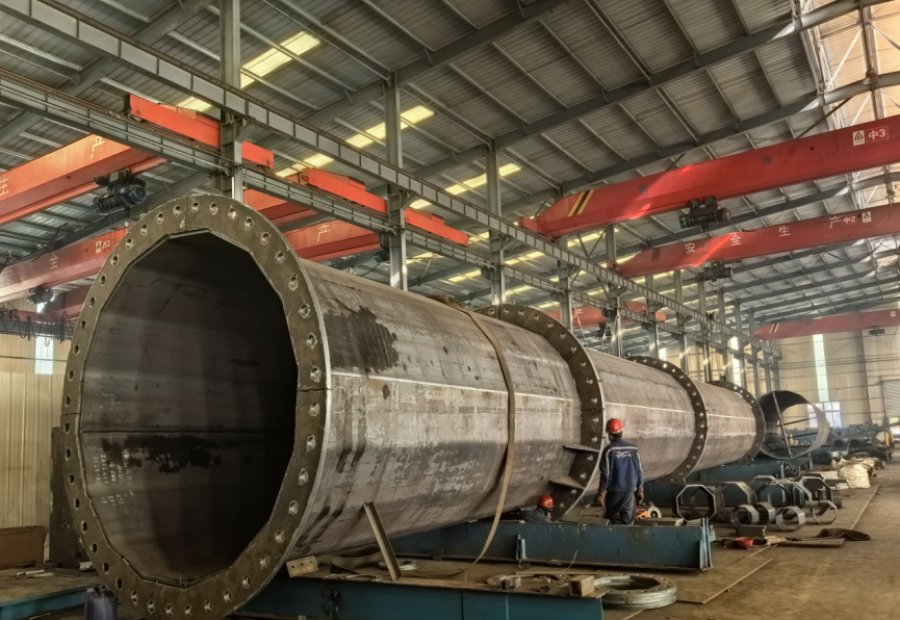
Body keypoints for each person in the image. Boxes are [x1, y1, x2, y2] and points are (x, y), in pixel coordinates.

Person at [596, 418, 644, 525]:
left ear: (610, 435)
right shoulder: (633, 449)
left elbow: (605, 474)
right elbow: (639, 470)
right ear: (621, 431)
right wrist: (640, 489)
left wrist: (601, 493)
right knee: (628, 524)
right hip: (630, 494)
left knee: (611, 524)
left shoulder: (609, 450)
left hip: (614, 494)